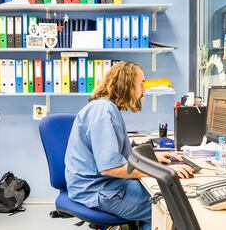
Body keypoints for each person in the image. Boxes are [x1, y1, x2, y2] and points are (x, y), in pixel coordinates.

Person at [64, 61, 193, 230]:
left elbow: (118, 155)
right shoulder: (103, 111)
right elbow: (109, 168)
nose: (143, 90)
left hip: (104, 185)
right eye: (141, 84)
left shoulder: (107, 108)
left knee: (163, 195)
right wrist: (162, 172)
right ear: (127, 85)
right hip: (98, 191)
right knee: (165, 208)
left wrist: (153, 159)